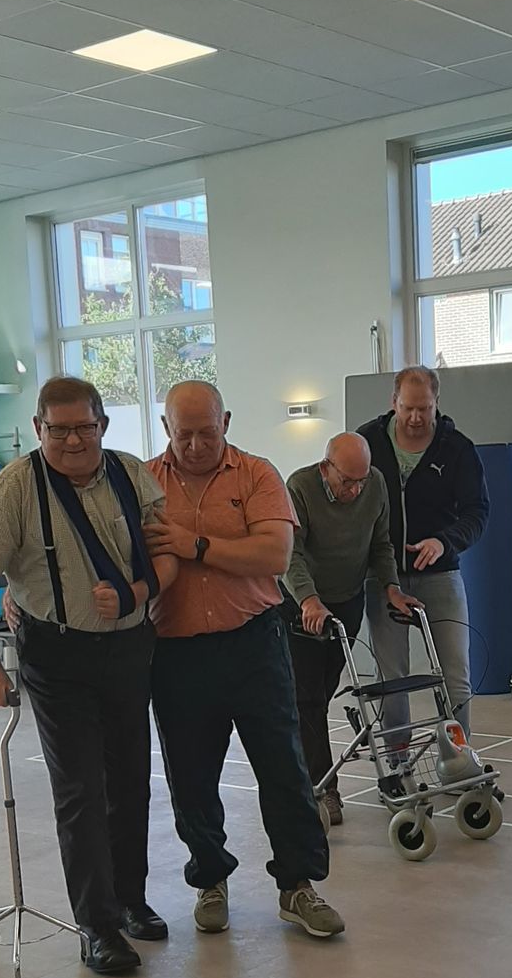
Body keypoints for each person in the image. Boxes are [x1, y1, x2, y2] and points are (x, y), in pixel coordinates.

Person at [0, 375, 177, 978]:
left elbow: (166, 555)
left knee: (130, 782)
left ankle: (129, 901)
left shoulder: (132, 474)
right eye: (59, 430)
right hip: (57, 658)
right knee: (81, 790)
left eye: (84, 427)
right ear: (38, 428)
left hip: (128, 648)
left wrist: (137, 592)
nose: (73, 440)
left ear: (102, 425)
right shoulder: (15, 488)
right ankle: (97, 928)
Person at [142, 381, 344, 940]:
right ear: (166, 428)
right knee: (191, 776)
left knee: (284, 768)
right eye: (184, 434)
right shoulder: (143, 483)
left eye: (207, 433)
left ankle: (298, 886)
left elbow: (273, 553)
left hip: (254, 642)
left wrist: (196, 545)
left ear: (226, 422)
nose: (196, 445)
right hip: (177, 650)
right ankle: (210, 879)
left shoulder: (256, 475)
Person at [282, 432, 415, 824]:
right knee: (307, 698)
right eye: (347, 482)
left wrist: (391, 587)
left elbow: (381, 544)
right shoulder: (300, 487)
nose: (355, 490)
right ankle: (324, 790)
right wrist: (308, 599)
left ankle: (305, 771)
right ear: (326, 468)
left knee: (321, 693)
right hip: (301, 605)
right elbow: (291, 553)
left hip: (347, 600)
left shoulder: (375, 485)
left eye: (361, 480)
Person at [359, 365, 489, 746]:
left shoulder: (457, 448)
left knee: (455, 673)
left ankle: (458, 758)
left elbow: (477, 513)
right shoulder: (368, 442)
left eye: (424, 409)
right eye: (408, 408)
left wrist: (444, 542)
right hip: (384, 578)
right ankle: (397, 761)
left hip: (441, 575)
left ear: (437, 403)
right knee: (391, 678)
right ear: (393, 402)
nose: (415, 418)